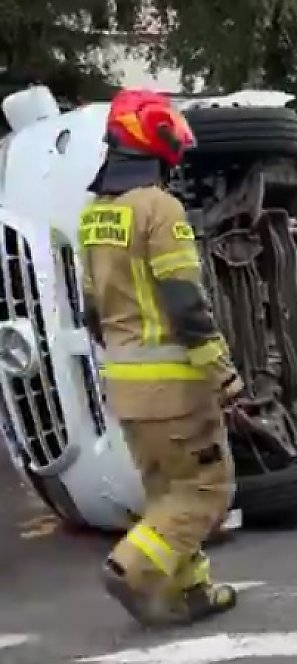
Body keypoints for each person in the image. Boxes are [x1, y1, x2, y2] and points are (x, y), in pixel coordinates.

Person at [79, 89, 246, 626]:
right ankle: (129, 568)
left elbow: (90, 313)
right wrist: (224, 376)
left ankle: (192, 592)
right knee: (206, 490)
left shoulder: (95, 215)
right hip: (174, 386)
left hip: (126, 387)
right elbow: (184, 303)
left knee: (166, 492)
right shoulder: (160, 208)